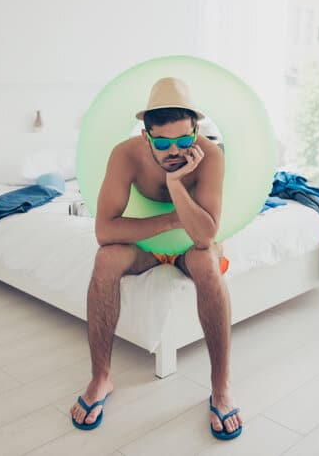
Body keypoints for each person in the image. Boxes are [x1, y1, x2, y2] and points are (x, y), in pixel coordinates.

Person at [69, 77, 243, 439]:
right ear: (147, 136)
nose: (174, 150)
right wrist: (171, 218)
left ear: (196, 130)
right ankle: (101, 378)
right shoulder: (125, 155)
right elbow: (105, 231)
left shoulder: (210, 156)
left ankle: (220, 386)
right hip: (146, 248)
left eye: (184, 140)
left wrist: (177, 184)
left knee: (207, 262)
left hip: (191, 248)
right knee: (105, 259)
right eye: (163, 143)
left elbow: (205, 235)